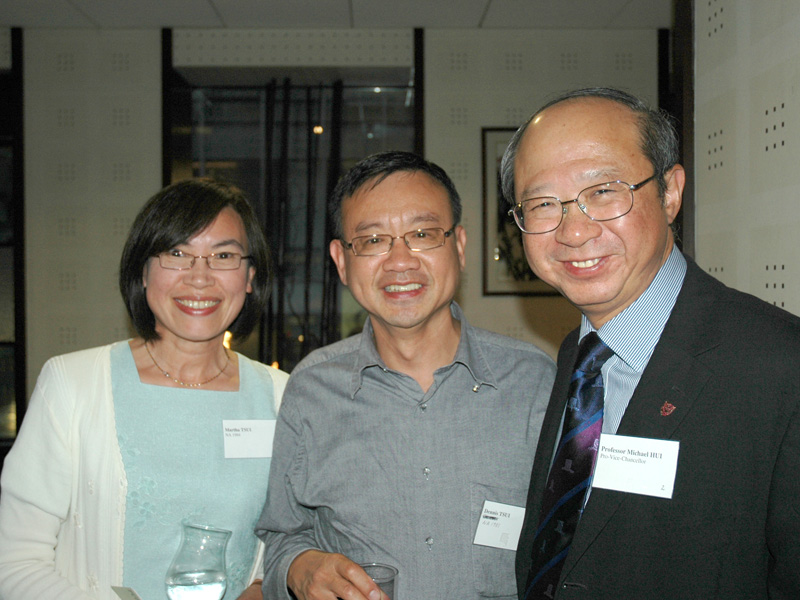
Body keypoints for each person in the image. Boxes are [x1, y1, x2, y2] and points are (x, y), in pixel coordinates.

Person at [501, 87, 800, 599]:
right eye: (544, 203)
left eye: (603, 192)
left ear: (669, 192)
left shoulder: (777, 366)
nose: (573, 231)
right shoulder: (578, 354)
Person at [255, 151, 556, 600]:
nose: (400, 261)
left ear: (458, 245)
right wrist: (302, 567)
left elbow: (572, 544)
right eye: (373, 240)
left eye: (421, 234)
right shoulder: (312, 388)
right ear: (342, 260)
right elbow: (283, 536)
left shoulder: (533, 381)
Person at [0, 178, 289, 600]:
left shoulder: (282, 397)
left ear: (249, 277)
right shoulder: (73, 384)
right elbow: (14, 561)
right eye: (178, 253)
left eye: (223, 255)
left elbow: (290, 544)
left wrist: (264, 588)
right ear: (143, 269)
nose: (200, 277)